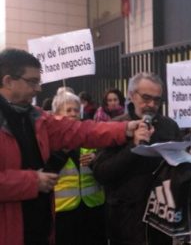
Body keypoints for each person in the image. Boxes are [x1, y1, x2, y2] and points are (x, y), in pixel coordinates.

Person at [0, 48, 138, 245]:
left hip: (40, 229)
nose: (38, 89)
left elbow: (80, 131)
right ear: (7, 81)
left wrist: (124, 129)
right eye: (32, 81)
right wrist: (32, 182)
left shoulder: (36, 117)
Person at [93, 72, 181, 245]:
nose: (152, 105)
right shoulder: (114, 127)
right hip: (126, 222)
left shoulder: (169, 126)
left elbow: (178, 169)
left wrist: (187, 160)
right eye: (146, 98)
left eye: (157, 100)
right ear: (132, 95)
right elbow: (101, 173)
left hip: (161, 220)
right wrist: (133, 147)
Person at [49, 90, 107, 245]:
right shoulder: (50, 140)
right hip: (64, 211)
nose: (73, 114)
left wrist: (97, 158)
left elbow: (106, 160)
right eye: (68, 110)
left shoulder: (89, 135)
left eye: (76, 110)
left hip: (93, 207)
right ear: (56, 114)